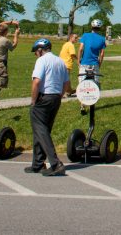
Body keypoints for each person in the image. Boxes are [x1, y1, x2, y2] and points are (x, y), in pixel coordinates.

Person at [25, 38, 70, 176]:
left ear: (40, 50)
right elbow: (67, 85)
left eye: (36, 52)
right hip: (56, 97)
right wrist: (59, 96)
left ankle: (55, 163)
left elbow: (36, 82)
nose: (35, 55)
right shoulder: (60, 61)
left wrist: (33, 100)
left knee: (40, 130)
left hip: (43, 98)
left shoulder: (42, 61)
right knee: (42, 130)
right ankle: (38, 164)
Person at [0, 20, 20, 112]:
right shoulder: (4, 41)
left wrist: (11, 22)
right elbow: (13, 46)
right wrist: (16, 35)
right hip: (0, 66)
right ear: (5, 32)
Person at [77, 19, 106, 85]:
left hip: (84, 62)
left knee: (81, 83)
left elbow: (81, 49)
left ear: (91, 26)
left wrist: (78, 61)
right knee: (95, 83)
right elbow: (102, 54)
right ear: (100, 28)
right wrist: (99, 64)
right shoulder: (102, 38)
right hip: (95, 63)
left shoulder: (85, 35)